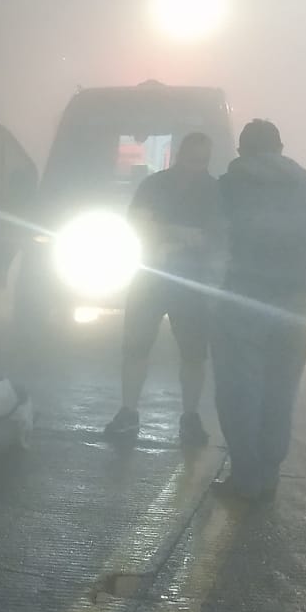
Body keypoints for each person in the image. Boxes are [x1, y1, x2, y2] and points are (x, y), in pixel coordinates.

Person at [211, 119, 306, 504]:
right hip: (295, 304)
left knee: (239, 390)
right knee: (281, 389)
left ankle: (245, 477)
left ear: (242, 150)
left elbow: (219, 244)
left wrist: (215, 291)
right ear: (281, 148)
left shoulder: (229, 186)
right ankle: (269, 475)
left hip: (242, 300)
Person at [104, 132, 222, 446]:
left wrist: (163, 232)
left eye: (202, 161)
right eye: (193, 159)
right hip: (165, 278)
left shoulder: (204, 190)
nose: (197, 166)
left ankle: (188, 416)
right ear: (180, 155)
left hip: (178, 280)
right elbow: (137, 225)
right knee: (136, 347)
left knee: (193, 353)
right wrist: (185, 235)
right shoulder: (202, 190)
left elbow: (215, 236)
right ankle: (131, 411)